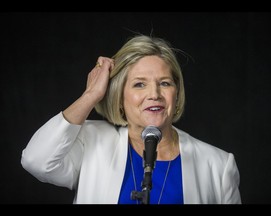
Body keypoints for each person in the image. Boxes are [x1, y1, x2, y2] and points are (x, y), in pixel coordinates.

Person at [21, 34, 241, 204]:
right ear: (119, 96)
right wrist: (90, 95)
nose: (154, 94)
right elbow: (36, 161)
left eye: (164, 83)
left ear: (177, 91)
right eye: (139, 84)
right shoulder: (91, 143)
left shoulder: (219, 165)